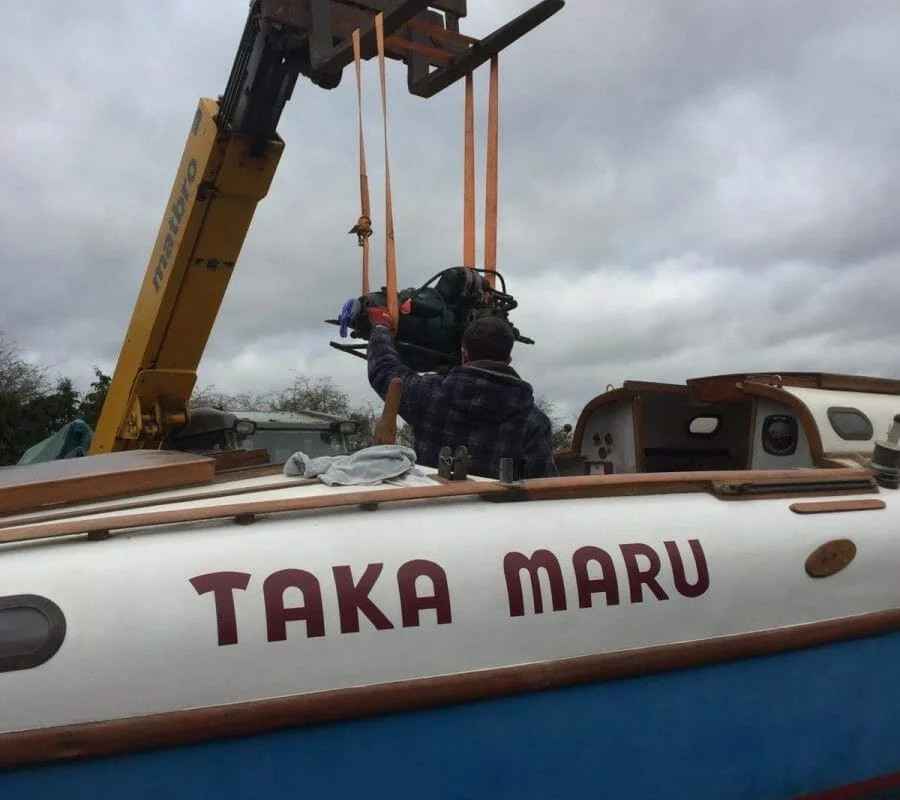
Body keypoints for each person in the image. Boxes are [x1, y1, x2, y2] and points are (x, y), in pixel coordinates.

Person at [366, 307, 558, 480]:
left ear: (464, 354)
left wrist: (381, 327)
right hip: (496, 518)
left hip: (429, 514)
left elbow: (384, 370)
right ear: (508, 360)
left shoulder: (428, 393)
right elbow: (543, 489)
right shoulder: (534, 422)